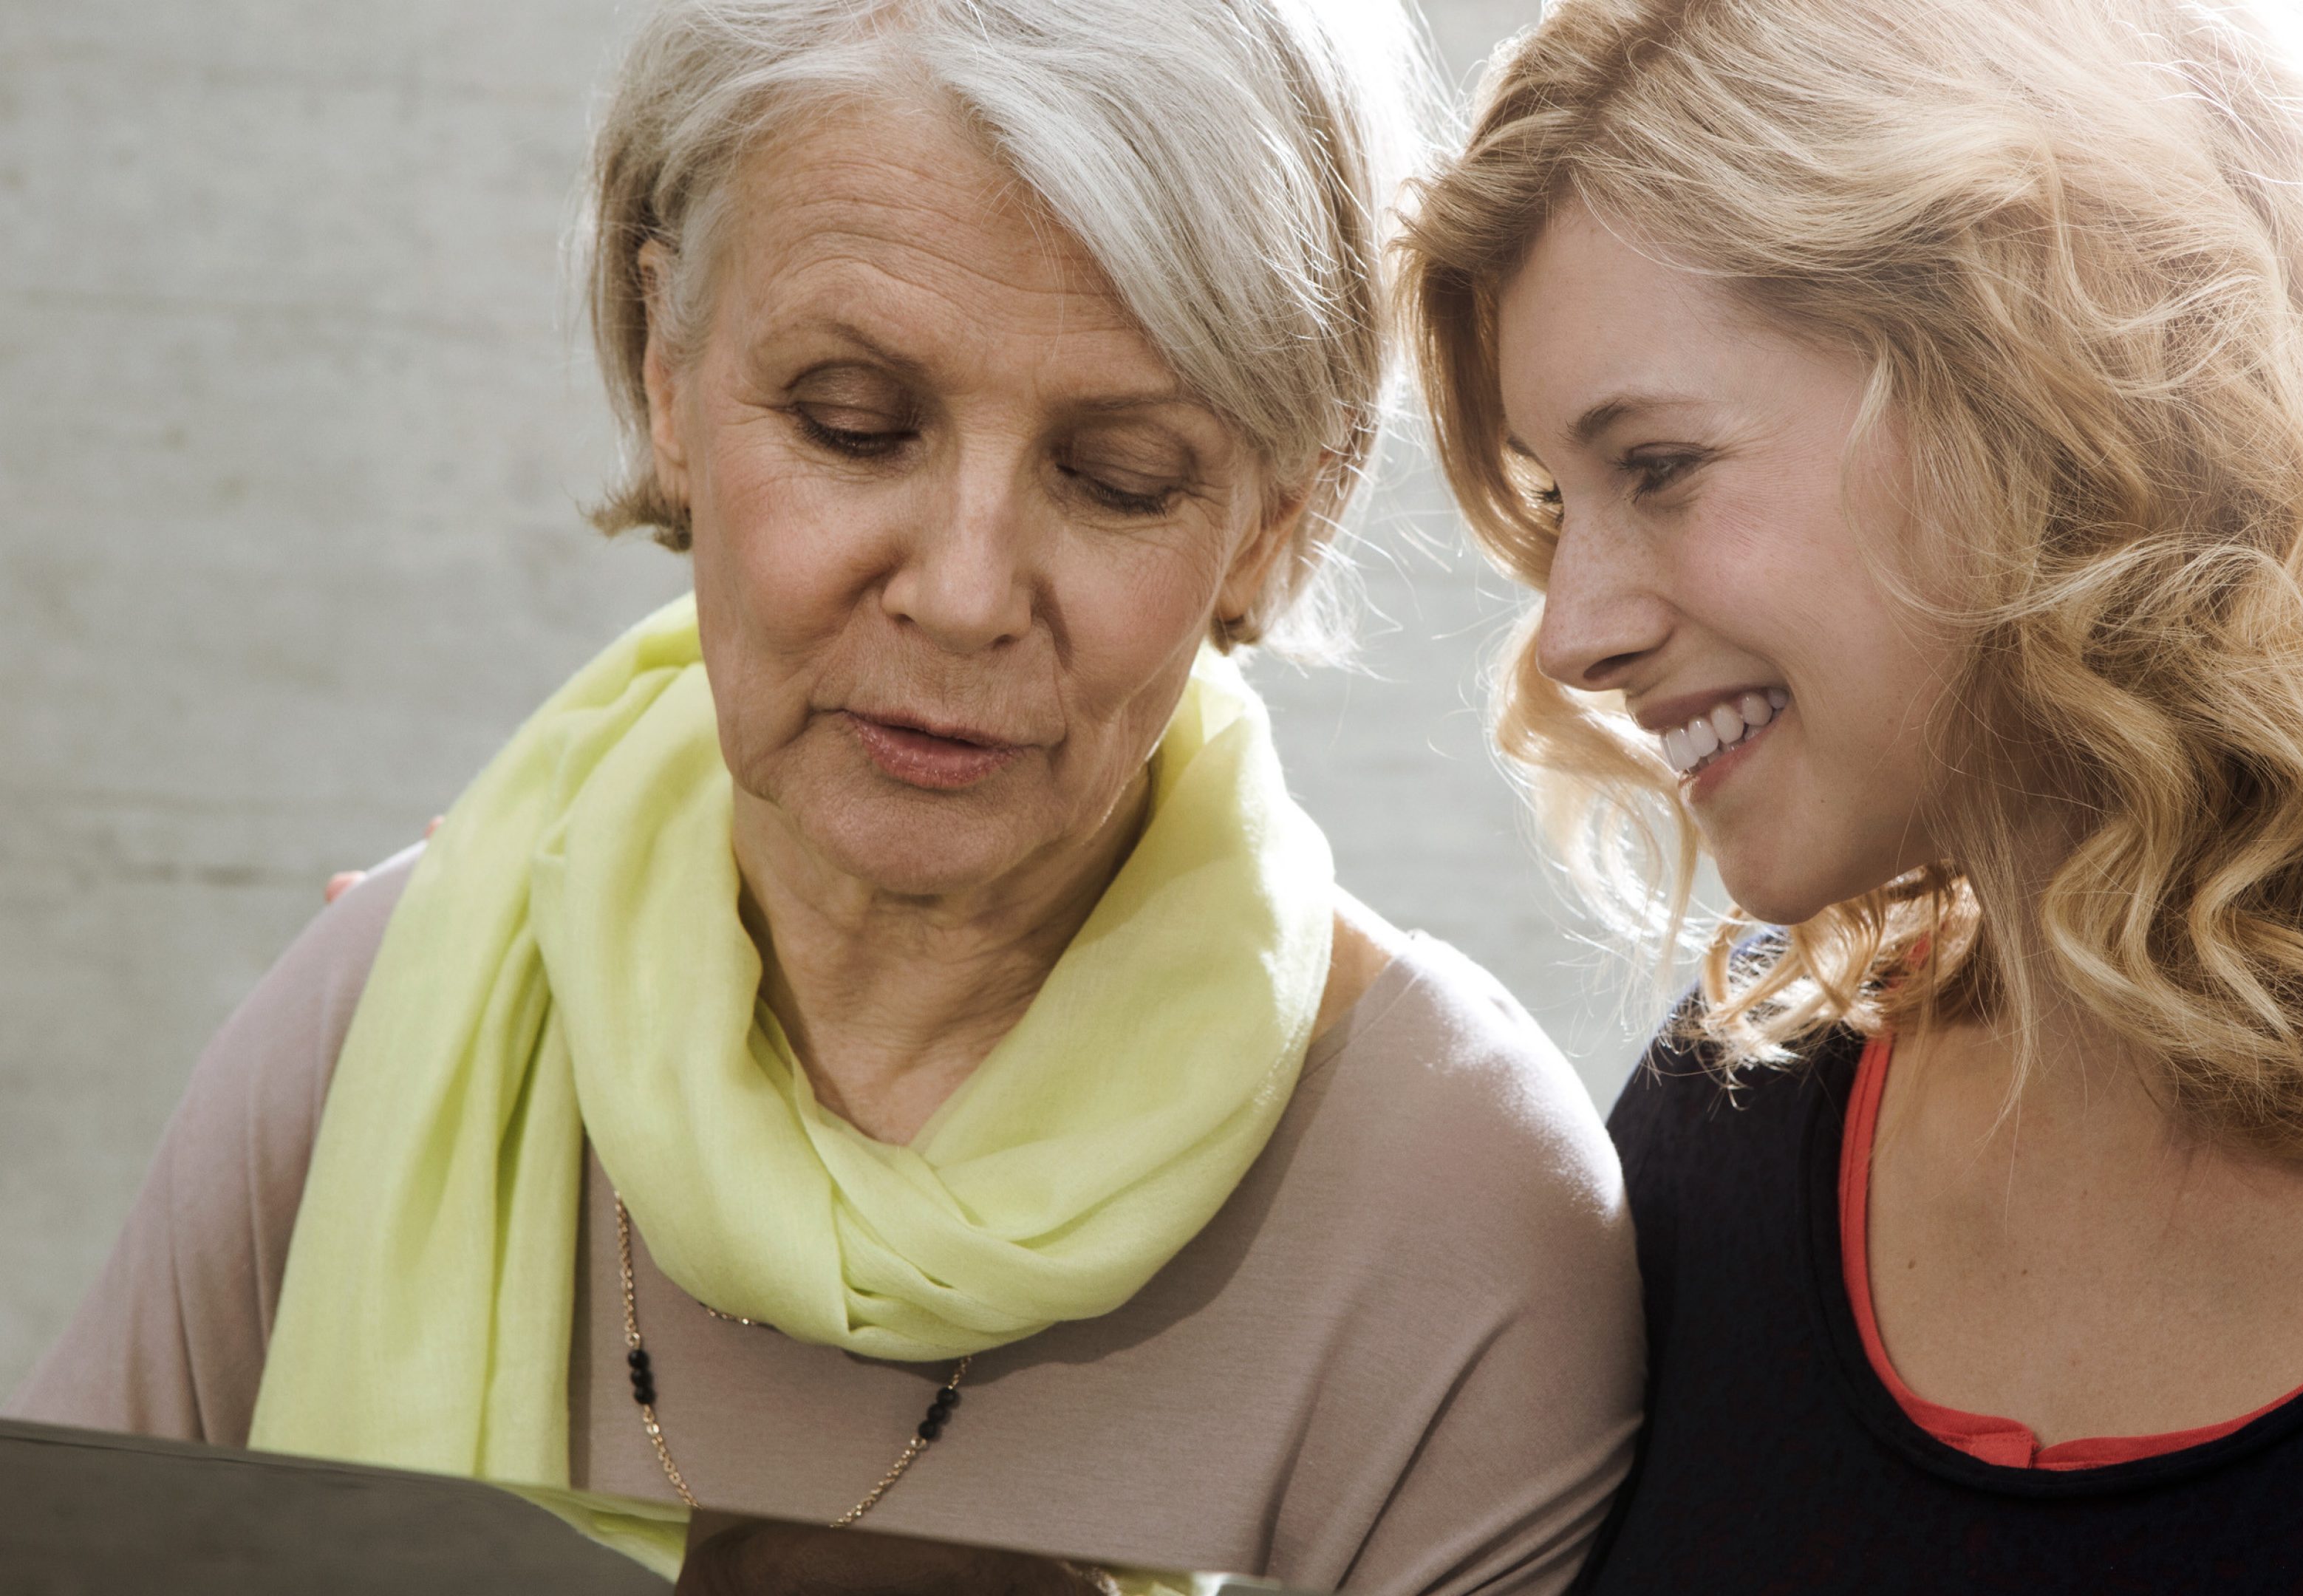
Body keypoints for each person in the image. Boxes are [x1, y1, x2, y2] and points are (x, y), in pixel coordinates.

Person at [7, 1, 1643, 1589]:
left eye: (1117, 477)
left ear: (1282, 517)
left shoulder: (1455, 1213)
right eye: (854, 425)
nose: (962, 588)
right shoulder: (384, 1013)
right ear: (667, 373)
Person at [1397, 0, 2303, 1589]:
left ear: (2041, 381)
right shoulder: (1750, 1098)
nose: (1574, 631)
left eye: (1658, 466)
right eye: (1554, 499)